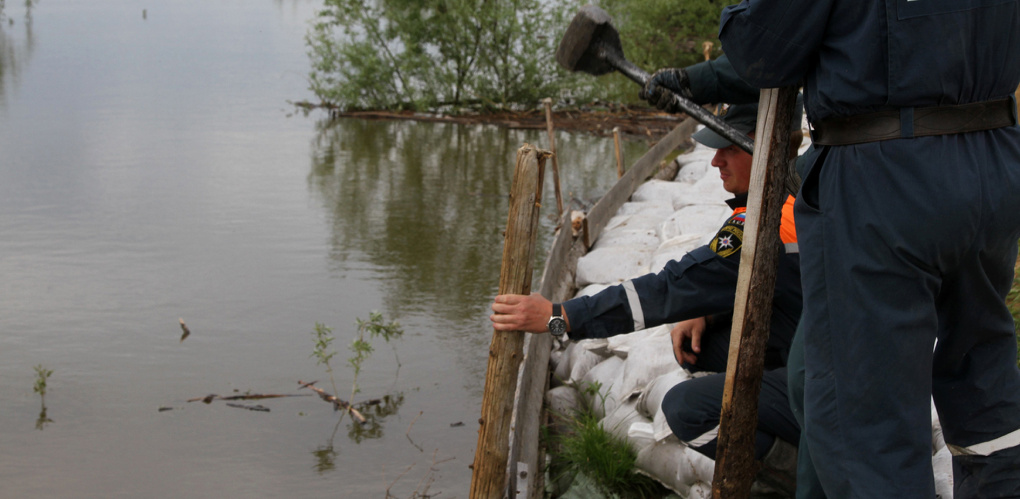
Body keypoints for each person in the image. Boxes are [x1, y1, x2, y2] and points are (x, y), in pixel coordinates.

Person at [715, 2, 1020, 498]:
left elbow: (763, 50)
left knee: (868, 425)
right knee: (982, 376)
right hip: (992, 160)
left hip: (884, 178)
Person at [490, 102, 804, 467]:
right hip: (809, 340)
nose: (716, 161)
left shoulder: (767, 223)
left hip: (827, 381)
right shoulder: (794, 195)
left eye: (729, 148)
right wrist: (710, 314)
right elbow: (768, 285)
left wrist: (558, 317)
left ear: (767, 146)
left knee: (685, 407)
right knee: (701, 346)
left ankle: (795, 477)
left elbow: (665, 291)